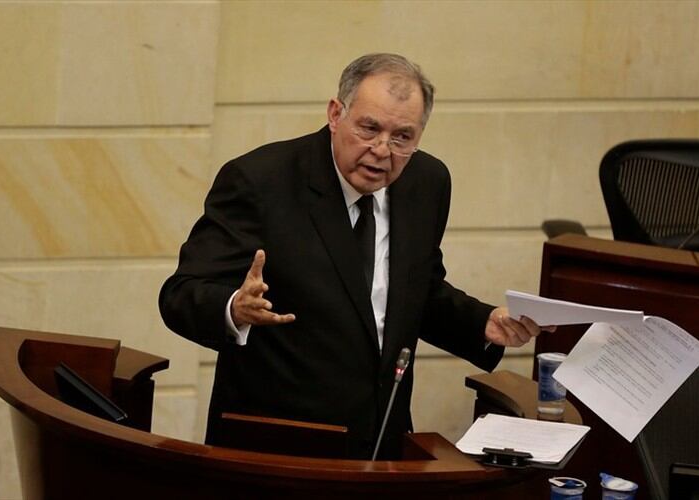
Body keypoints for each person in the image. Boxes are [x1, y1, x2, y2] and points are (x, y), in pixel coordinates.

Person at [159, 53, 553, 459]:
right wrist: (234, 308)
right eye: (369, 128)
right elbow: (180, 293)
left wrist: (482, 322)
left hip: (381, 441)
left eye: (403, 136)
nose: (383, 150)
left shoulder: (426, 183)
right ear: (335, 114)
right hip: (278, 447)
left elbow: (416, 290)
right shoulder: (260, 180)